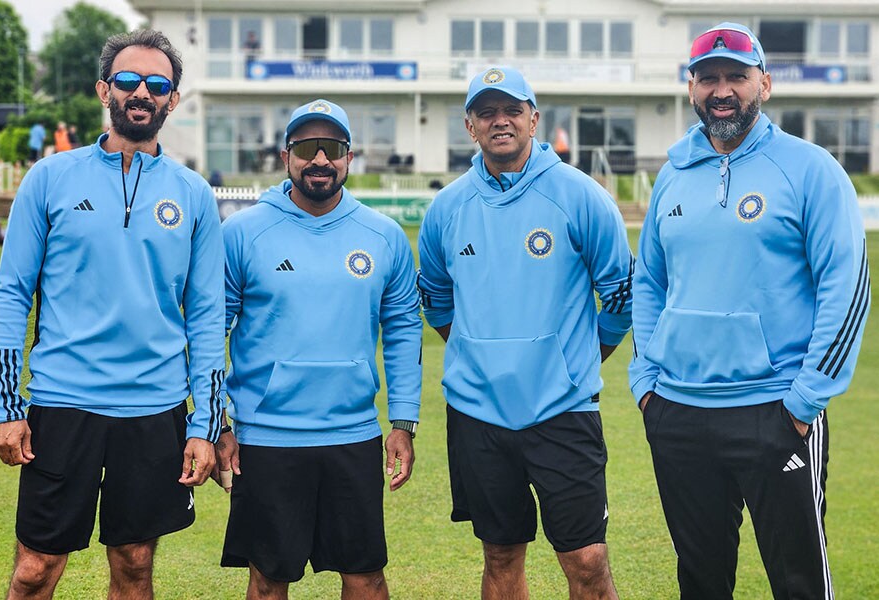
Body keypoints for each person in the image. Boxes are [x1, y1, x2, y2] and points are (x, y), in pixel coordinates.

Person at [629, 23, 870, 599]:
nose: (722, 89)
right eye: (708, 77)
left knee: (799, 583)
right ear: (691, 88)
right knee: (702, 581)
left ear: (764, 82)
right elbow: (650, 283)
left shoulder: (810, 169)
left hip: (775, 411)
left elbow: (847, 286)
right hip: (679, 413)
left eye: (736, 75)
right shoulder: (672, 175)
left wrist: (807, 396)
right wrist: (646, 380)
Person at [0, 29, 226, 599]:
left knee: (135, 565)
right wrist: (7, 406)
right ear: (104, 89)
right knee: (34, 571)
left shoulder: (193, 195)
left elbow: (207, 317)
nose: (141, 92)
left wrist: (204, 424)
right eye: (127, 80)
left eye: (157, 84)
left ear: (172, 99)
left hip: (154, 410)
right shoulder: (50, 178)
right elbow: (12, 294)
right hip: (60, 405)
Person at [418, 66, 633, 599]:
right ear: (470, 126)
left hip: (563, 410)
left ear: (534, 119)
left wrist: (578, 356)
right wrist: (478, 352)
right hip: (478, 413)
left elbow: (623, 294)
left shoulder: (580, 195)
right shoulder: (447, 207)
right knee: (500, 555)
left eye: (512, 110)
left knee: (587, 561)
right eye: (486, 112)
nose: (501, 121)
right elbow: (437, 299)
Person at [217, 98, 422, 600]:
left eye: (332, 148)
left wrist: (403, 421)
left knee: (366, 578)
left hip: (351, 435)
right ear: (286, 156)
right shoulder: (243, 233)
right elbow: (206, 334)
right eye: (307, 147)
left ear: (350, 157)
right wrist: (217, 424)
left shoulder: (384, 236)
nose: (320, 160)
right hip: (266, 437)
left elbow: (401, 330)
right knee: (268, 580)